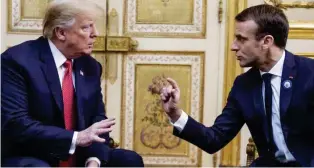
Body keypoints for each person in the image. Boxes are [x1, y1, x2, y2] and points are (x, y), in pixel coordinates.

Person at [159, 4, 314, 167]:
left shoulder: (309, 74)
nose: (233, 46)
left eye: (241, 39)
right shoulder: (244, 85)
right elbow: (214, 139)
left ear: (266, 41)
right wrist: (175, 113)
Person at [1, 0, 143, 167]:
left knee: (128, 160)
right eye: (86, 27)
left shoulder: (90, 66)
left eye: (94, 26)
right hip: (34, 155)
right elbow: (16, 124)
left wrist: (94, 160)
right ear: (61, 33)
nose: (95, 33)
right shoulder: (17, 61)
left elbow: (98, 120)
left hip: (79, 155)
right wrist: (76, 138)